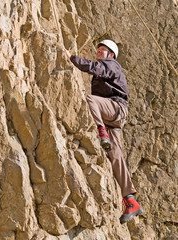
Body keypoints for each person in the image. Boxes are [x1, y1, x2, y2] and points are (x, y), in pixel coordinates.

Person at [64, 39, 143, 224]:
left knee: (90, 100)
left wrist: (72, 58)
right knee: (116, 156)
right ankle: (131, 200)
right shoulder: (106, 67)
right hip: (113, 115)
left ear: (111, 54)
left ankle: (102, 132)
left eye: (103, 50)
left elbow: (96, 68)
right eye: (98, 50)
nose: (99, 52)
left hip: (115, 109)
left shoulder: (112, 65)